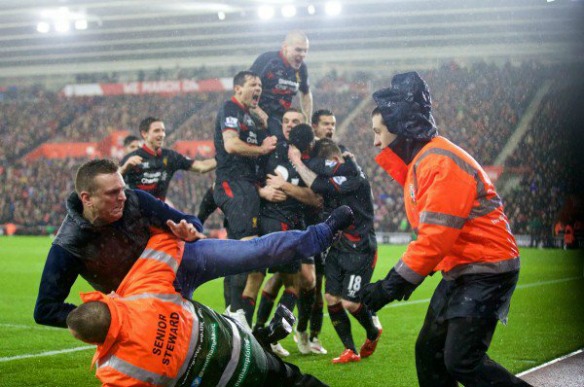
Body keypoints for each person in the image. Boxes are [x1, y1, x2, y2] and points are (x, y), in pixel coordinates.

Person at [33, 158, 354, 328]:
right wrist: (106, 317)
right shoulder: (69, 245)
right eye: (112, 193)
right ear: (86, 198)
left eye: (121, 189)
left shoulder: (135, 199)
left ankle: (320, 235)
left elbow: (191, 221)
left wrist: (190, 228)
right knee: (209, 338)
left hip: (185, 257)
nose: (122, 196)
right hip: (149, 301)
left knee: (254, 249)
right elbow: (45, 310)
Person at [361, 71, 530, 386]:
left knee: (462, 361)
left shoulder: (438, 162)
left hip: (486, 269)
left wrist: (389, 286)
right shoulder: (425, 162)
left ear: (399, 128)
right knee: (430, 353)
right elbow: (436, 239)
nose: (375, 141)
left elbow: (434, 239)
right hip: (465, 269)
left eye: (378, 131)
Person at [66, 231, 329, 387]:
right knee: (292, 380)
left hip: (224, 382)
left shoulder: (116, 369)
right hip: (246, 349)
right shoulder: (143, 294)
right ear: (106, 301)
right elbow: (165, 243)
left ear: (96, 342)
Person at [288, 138, 381, 364]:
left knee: (350, 302)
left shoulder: (354, 177)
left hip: (361, 247)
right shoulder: (336, 177)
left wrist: (298, 163)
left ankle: (372, 331)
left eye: (329, 165)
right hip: (338, 247)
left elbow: (318, 185)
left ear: (336, 161)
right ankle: (350, 350)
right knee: (331, 297)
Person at [253, 111, 322, 356]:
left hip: (301, 222)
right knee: (293, 278)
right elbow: (256, 179)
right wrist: (264, 192)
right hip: (276, 221)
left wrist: (285, 186)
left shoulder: (309, 154)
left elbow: (315, 198)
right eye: (286, 121)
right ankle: (269, 332)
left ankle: (265, 331)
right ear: (280, 125)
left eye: (296, 122)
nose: (291, 126)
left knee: (305, 280)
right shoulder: (270, 149)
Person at [212, 70, 278, 324]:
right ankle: (234, 315)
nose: (258, 88)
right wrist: (261, 149)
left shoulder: (250, 115)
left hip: (248, 187)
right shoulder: (230, 107)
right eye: (253, 84)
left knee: (248, 253)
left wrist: (263, 120)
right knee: (245, 249)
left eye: (260, 84)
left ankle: (236, 315)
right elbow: (230, 144)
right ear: (238, 88)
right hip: (234, 185)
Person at [119, 116, 216, 201]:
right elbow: (110, 181)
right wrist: (124, 168)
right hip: (135, 215)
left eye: (163, 131)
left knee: (190, 220)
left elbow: (202, 166)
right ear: (144, 134)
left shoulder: (170, 157)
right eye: (157, 131)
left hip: (158, 215)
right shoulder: (130, 158)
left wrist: (224, 158)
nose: (162, 134)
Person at [250, 30, 312, 140]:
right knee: (280, 143)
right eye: (298, 50)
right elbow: (246, 85)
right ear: (285, 47)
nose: (302, 55)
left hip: (281, 118)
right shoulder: (268, 60)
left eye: (305, 51)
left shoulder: (302, 68)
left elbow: (306, 94)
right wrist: (258, 112)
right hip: (258, 115)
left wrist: (307, 120)